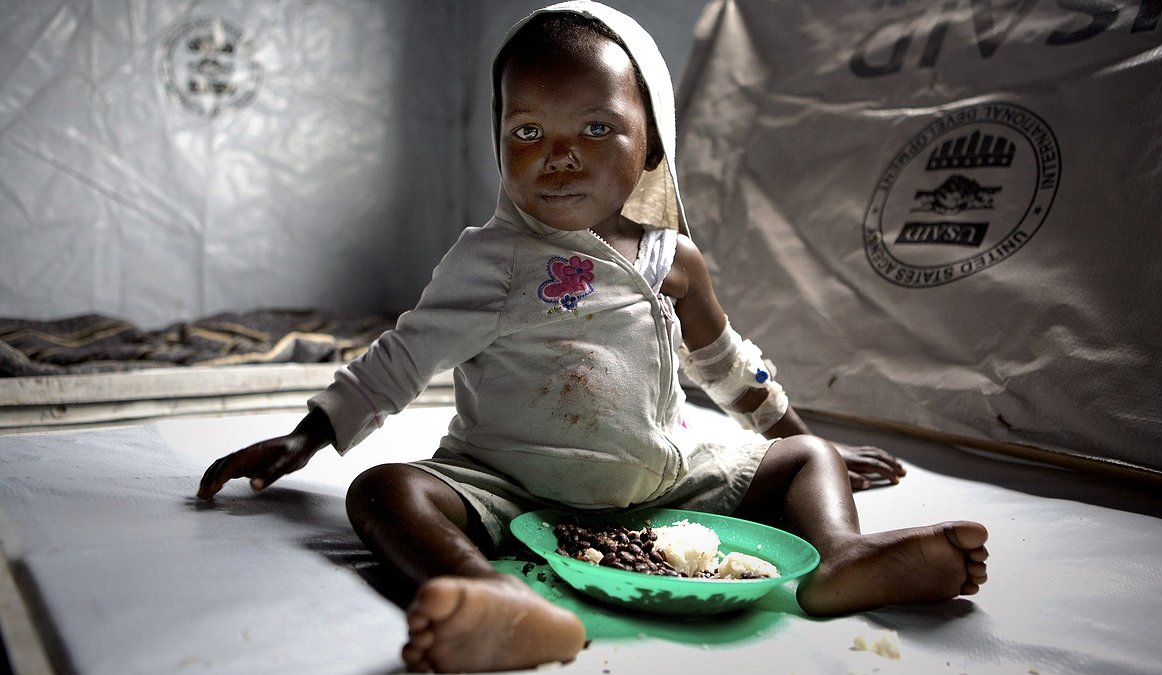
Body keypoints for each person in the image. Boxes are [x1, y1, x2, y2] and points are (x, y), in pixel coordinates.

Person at [197, 2, 987, 672]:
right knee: (384, 491)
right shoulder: (491, 261)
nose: (559, 155)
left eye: (596, 126)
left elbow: (723, 359)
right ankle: (496, 595)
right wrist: (310, 434)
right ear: (499, 139)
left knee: (807, 458)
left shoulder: (673, 258)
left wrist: (796, 434)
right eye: (528, 129)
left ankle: (840, 560)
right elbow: (401, 358)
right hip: (511, 482)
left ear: (649, 143)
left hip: (663, 477)